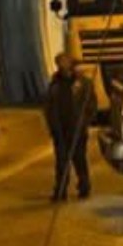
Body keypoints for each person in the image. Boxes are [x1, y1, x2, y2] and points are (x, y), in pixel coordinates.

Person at [45, 53, 96, 201]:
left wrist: (85, 122)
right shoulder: (55, 84)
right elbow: (49, 106)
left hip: (78, 129)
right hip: (60, 129)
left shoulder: (83, 83)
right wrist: (52, 125)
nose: (62, 66)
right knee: (61, 162)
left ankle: (84, 186)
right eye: (59, 64)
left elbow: (91, 105)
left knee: (79, 159)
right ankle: (60, 190)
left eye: (64, 63)